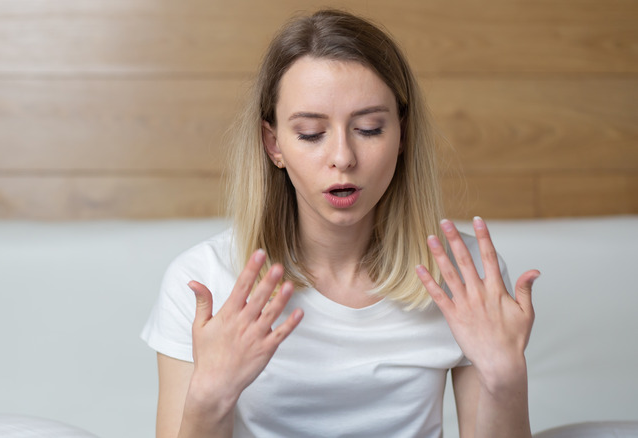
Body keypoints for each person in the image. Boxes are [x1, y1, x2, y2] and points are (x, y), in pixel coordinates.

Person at [141, 9, 540, 438]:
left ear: (402, 136)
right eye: (312, 134)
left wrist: (505, 379)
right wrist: (208, 398)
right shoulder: (205, 280)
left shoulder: (463, 279)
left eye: (369, 129)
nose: (343, 158)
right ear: (273, 144)